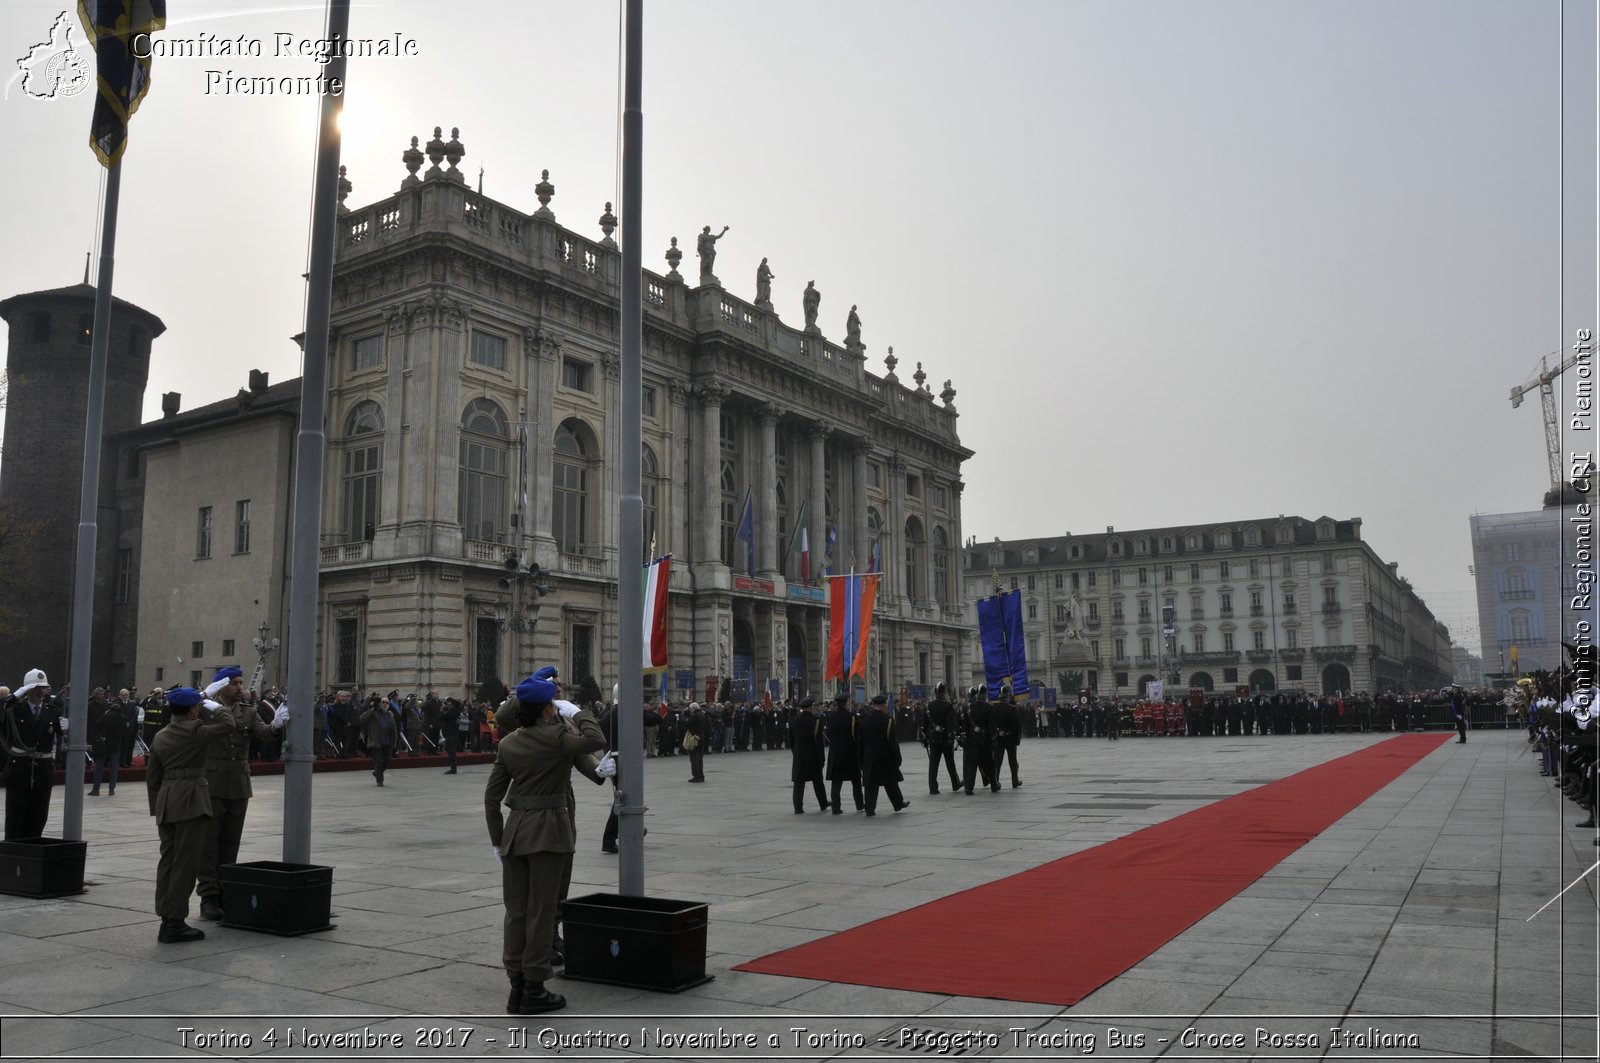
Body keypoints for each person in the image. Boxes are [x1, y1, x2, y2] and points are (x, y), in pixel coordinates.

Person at [484, 673, 605, 1015]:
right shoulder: (558, 736)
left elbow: (491, 799)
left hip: (514, 832)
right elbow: (595, 738)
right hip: (550, 829)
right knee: (542, 910)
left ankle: (517, 986)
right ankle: (535, 987)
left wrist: (496, 841)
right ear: (549, 708)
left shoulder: (508, 744)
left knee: (516, 911)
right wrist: (578, 711)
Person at [195, 666, 286, 921]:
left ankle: (225, 891)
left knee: (230, 843)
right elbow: (182, 716)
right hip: (211, 783)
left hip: (238, 784)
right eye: (234, 683)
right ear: (221, 685)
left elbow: (263, 733)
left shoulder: (247, 711)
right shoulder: (205, 708)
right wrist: (203, 697)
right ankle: (208, 896)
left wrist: (277, 725)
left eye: (240, 682)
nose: (240, 687)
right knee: (208, 845)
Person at [147, 687, 234, 944]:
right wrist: (213, 705)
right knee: (186, 863)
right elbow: (228, 724)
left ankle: (166, 915)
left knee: (168, 862)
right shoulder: (195, 731)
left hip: (167, 801)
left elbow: (152, 777)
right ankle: (174, 922)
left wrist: (157, 808)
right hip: (190, 801)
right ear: (193, 709)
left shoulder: (161, 735)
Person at [4, 669, 61, 839]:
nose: (40, 691)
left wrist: (66, 729)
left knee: (38, 819)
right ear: (27, 690)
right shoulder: (15, 709)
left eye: (42, 688)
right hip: (20, 771)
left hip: (42, 772)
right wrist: (14, 696)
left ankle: (32, 855)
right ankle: (13, 858)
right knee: (15, 820)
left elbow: (62, 737)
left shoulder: (53, 710)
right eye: (36, 688)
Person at [857, 693, 909, 816]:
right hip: (885, 758)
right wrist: (897, 759)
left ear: (873, 705)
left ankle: (870, 808)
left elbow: (860, 744)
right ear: (884, 706)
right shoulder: (888, 721)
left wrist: (861, 760)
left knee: (870, 785)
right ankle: (898, 804)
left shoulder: (864, 722)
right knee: (890, 783)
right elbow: (893, 742)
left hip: (870, 758)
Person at [825, 692, 864, 814]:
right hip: (850, 753)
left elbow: (828, 734)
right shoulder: (851, 717)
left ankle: (835, 807)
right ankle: (859, 804)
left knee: (836, 783)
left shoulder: (830, 717)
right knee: (856, 781)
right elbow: (857, 735)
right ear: (846, 703)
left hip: (836, 753)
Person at [789, 696, 829, 813]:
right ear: (811, 707)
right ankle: (823, 803)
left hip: (799, 756)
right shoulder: (816, 721)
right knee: (817, 781)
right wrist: (822, 758)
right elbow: (819, 742)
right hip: (813, 756)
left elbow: (791, 741)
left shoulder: (793, 721)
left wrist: (795, 753)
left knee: (798, 783)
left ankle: (798, 807)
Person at [921, 683, 961, 795]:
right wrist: (951, 737)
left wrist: (924, 738)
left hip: (933, 739)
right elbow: (951, 723)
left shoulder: (929, 705)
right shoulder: (948, 706)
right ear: (944, 693)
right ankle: (955, 783)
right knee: (950, 763)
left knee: (933, 765)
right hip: (945, 740)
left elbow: (924, 724)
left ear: (935, 693)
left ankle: (933, 788)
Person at [90, 690, 130, 796]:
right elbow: (125, 731)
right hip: (116, 746)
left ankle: (96, 789)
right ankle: (111, 789)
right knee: (114, 768)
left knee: (99, 768)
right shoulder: (122, 719)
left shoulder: (106, 716)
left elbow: (97, 725)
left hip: (104, 745)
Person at [360, 693, 401, 785]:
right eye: (383, 702)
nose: (385, 704)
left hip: (387, 741)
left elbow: (394, 729)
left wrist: (394, 742)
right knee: (378, 761)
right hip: (376, 741)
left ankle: (377, 773)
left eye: (387, 703)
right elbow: (362, 718)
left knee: (388, 760)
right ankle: (380, 780)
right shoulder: (374, 713)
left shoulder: (390, 714)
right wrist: (373, 708)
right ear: (379, 704)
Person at [961, 686, 994, 795]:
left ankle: (968, 788)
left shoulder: (968, 707)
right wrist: (992, 739)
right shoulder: (989, 707)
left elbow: (965, 726)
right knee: (989, 763)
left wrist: (966, 738)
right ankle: (994, 785)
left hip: (972, 740)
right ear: (984, 694)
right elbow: (991, 727)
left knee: (971, 765)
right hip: (985, 741)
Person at [991, 685, 1023, 789]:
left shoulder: (994, 708)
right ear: (1007, 696)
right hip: (1010, 738)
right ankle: (1015, 781)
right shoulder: (1011, 708)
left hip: (999, 738)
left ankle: (996, 781)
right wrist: (1017, 739)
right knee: (1012, 761)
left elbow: (992, 724)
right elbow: (1016, 726)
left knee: (997, 761)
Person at [682, 702, 707, 782]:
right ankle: (701, 775)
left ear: (693, 709)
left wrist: (684, 716)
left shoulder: (695, 716)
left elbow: (687, 723)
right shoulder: (703, 715)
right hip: (702, 738)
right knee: (700, 758)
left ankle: (696, 775)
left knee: (694, 758)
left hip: (694, 738)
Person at [441, 698, 464, 773]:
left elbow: (441, 717)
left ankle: (453, 768)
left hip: (450, 733)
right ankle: (453, 768)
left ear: (453, 705)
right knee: (452, 751)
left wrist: (442, 710)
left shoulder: (452, 712)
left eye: (449, 704)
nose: (448, 705)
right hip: (455, 732)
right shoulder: (458, 711)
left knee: (451, 751)